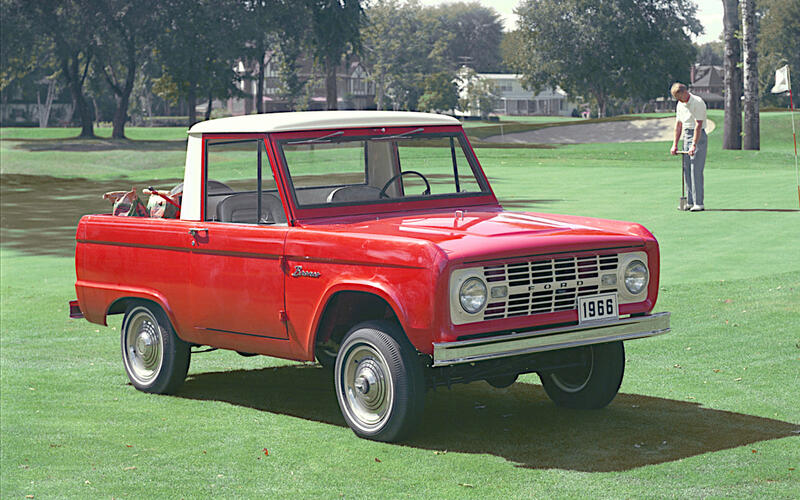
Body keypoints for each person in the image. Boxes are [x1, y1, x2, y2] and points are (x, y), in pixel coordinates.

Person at [670, 82, 707, 212]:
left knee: (695, 170)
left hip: (698, 136)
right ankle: (690, 201)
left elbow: (698, 125)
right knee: (686, 170)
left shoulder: (697, 102)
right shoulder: (680, 104)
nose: (679, 100)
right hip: (686, 135)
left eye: (679, 97)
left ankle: (699, 203)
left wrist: (694, 145)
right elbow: (678, 125)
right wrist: (675, 144)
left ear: (685, 92)